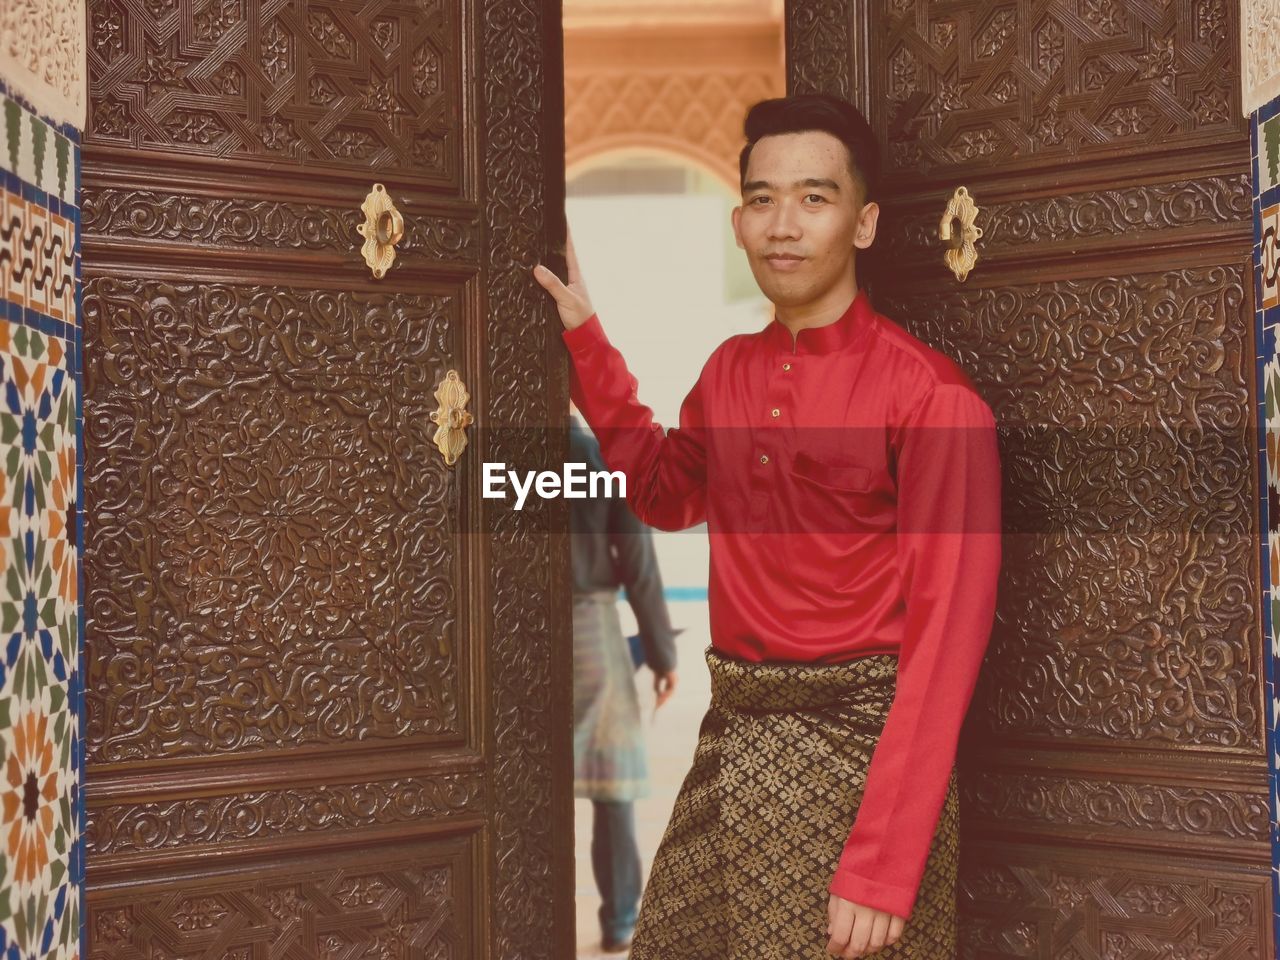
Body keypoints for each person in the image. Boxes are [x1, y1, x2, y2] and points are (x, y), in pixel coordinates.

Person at [534, 93, 1002, 959]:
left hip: (857, 767)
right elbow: (665, 491)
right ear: (738, 222)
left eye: (814, 198)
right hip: (734, 741)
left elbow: (947, 643)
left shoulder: (932, 397)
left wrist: (883, 864)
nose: (783, 224)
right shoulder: (730, 372)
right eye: (761, 198)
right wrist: (584, 337)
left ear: (861, 225)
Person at [568, 410, 681, 954]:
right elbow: (638, 563)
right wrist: (662, 655)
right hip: (589, 624)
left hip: (510, 627)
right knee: (610, 781)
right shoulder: (597, 457)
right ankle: (618, 921)